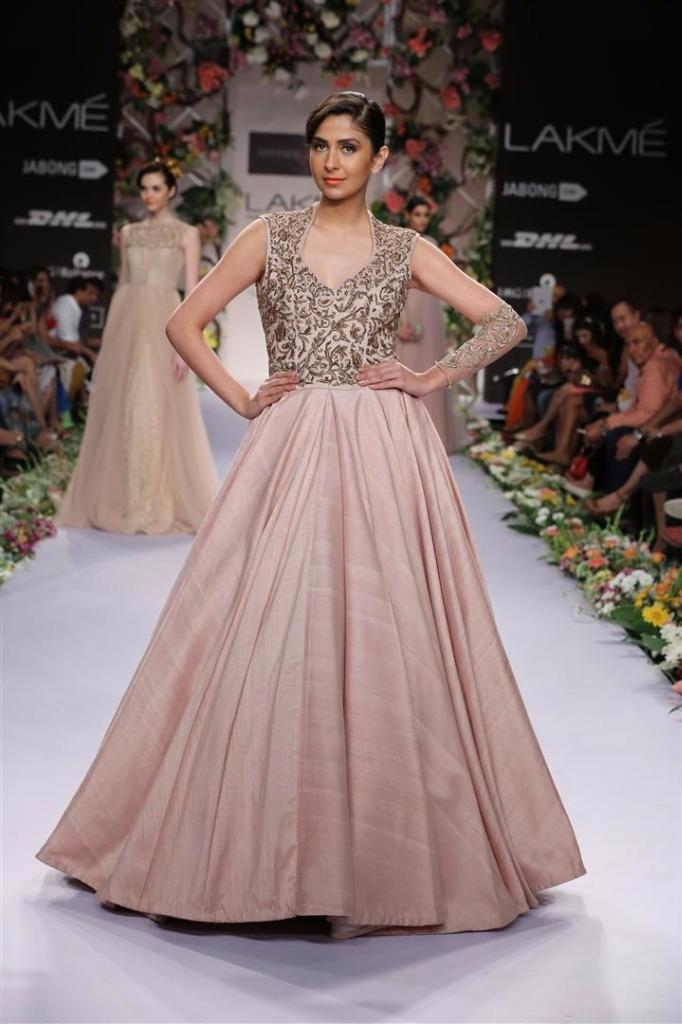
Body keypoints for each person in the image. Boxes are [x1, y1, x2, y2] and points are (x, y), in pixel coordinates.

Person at [37, 93, 584, 939]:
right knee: (266, 619)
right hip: (290, 444)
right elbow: (184, 323)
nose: (333, 161)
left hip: (384, 449)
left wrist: (429, 378)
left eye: (350, 147)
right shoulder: (269, 236)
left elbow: (503, 320)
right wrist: (242, 396)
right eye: (322, 146)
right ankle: (262, 849)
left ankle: (371, 853)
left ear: (379, 158)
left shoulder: (405, 248)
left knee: (386, 625)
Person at [56, 161, 219, 534]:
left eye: (156, 188)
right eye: (144, 188)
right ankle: (127, 499)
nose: (149, 195)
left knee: (155, 404)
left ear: (171, 191)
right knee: (126, 406)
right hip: (127, 326)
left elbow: (193, 293)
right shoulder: (128, 232)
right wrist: (111, 342)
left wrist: (186, 347)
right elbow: (123, 287)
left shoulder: (186, 234)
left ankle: (156, 501)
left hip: (165, 324)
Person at [395, 195, 468, 452]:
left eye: (426, 215)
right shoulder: (397, 242)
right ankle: (402, 438)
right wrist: (397, 322)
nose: (422, 220)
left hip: (429, 310)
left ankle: (430, 437)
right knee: (405, 366)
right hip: (404, 308)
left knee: (429, 366)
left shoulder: (432, 244)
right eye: (417, 214)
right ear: (407, 215)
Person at [580, 323, 680, 493]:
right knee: (604, 420)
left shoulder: (656, 365)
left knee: (617, 435)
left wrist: (606, 424)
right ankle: (590, 482)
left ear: (654, 341)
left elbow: (648, 413)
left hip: (664, 430)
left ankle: (611, 495)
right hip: (656, 425)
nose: (632, 350)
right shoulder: (658, 358)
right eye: (628, 345)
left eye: (637, 342)